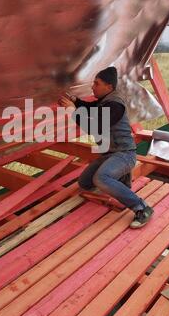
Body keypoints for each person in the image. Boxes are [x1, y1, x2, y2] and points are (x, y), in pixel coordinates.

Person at [58, 66, 154, 229]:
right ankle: (119, 181)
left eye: (96, 83)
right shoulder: (106, 100)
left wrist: (72, 112)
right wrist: (75, 100)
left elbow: (94, 126)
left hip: (124, 154)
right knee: (85, 183)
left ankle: (142, 208)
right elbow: (90, 107)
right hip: (110, 155)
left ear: (108, 87)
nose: (92, 86)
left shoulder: (114, 105)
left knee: (100, 179)